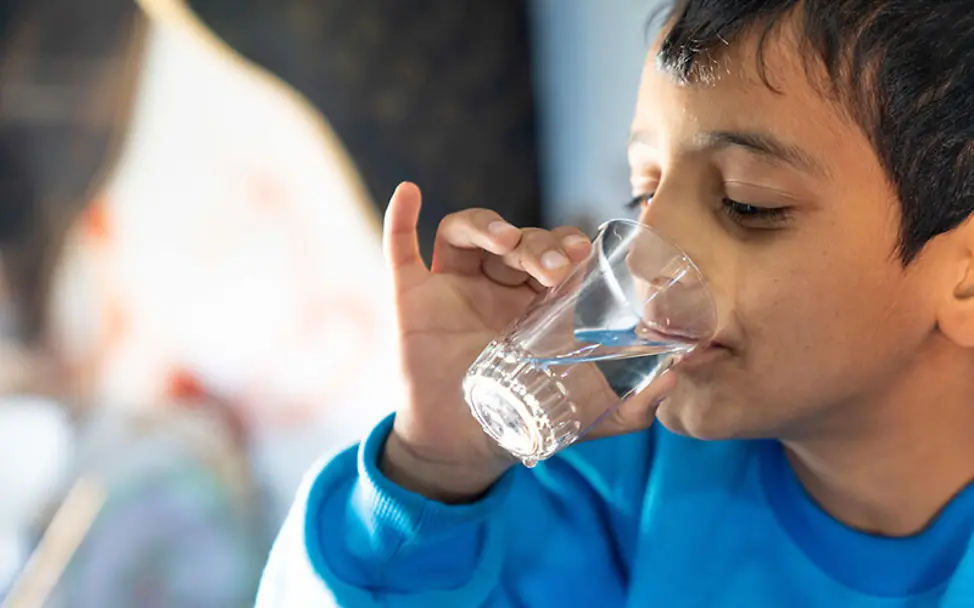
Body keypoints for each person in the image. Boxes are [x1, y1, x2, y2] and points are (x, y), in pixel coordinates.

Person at [258, 0, 974, 605]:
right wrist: (434, 473)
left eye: (747, 205)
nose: (640, 252)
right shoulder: (603, 482)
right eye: (643, 190)